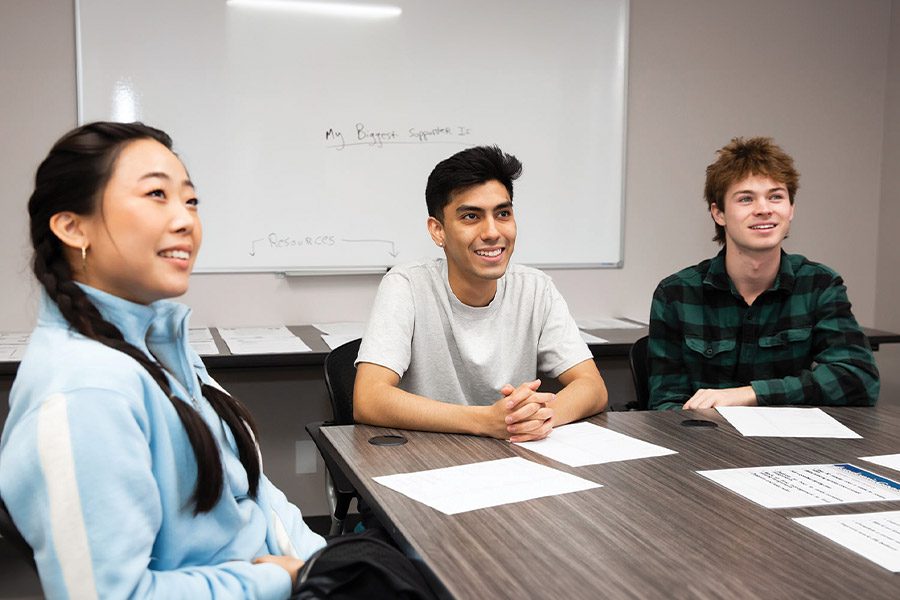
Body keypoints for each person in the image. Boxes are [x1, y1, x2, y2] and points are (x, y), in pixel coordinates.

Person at [0, 122, 325, 599]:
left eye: (191, 201)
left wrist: (325, 564)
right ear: (72, 227)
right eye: (157, 194)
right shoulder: (86, 390)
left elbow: (253, 495)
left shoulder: (161, 345)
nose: (185, 220)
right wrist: (281, 579)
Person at [354, 145, 607, 442]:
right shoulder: (407, 285)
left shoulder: (536, 288)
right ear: (438, 231)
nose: (492, 232)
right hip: (429, 459)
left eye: (502, 213)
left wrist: (535, 418)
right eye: (471, 217)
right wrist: (485, 421)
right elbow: (368, 398)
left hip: (514, 458)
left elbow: (592, 386)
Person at [648, 136, 879, 411]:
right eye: (746, 199)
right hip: (708, 445)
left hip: (794, 448)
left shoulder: (818, 285)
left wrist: (752, 394)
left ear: (791, 209)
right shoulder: (676, 294)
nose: (764, 209)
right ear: (718, 213)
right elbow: (665, 404)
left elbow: (860, 380)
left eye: (776, 197)